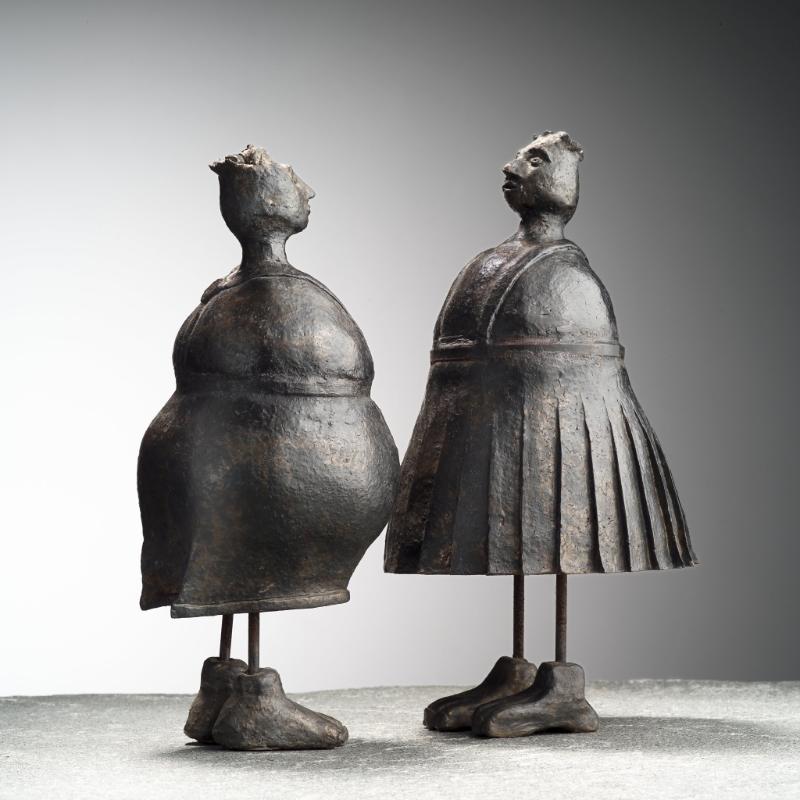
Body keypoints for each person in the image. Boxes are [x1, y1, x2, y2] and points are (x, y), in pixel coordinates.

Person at [385, 131, 696, 736]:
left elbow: (584, 395)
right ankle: (518, 675)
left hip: (558, 428)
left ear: (567, 180)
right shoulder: (490, 264)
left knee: (551, 536)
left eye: (536, 160)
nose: (512, 166)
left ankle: (560, 687)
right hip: (492, 419)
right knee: (521, 537)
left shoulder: (570, 277)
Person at [138, 145, 399, 749]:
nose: (309, 190)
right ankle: (255, 699)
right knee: (251, 574)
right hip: (265, 477)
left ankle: (222, 690)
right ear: (270, 203)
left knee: (235, 577)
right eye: (292, 181)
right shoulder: (276, 294)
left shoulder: (225, 293)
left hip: (205, 460)